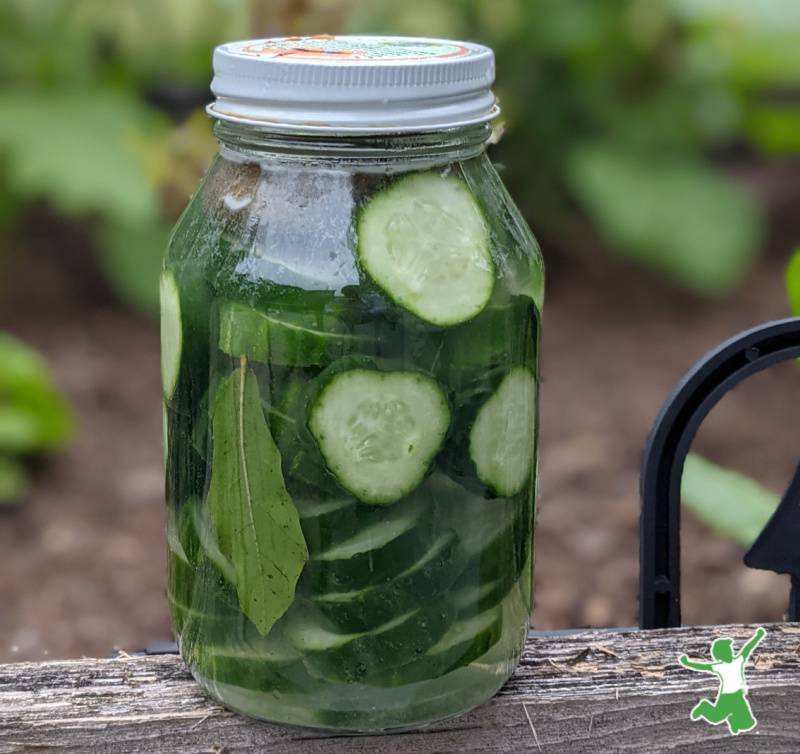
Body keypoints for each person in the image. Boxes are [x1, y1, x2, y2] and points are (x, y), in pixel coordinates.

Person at [679, 626, 766, 735]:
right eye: (727, 649)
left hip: (738, 695)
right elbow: (703, 667)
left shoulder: (738, 660)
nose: (731, 651)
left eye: (730, 649)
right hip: (727, 697)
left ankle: (734, 721)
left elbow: (748, 648)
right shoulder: (719, 666)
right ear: (721, 654)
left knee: (747, 722)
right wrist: (687, 663)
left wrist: (758, 636)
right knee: (716, 718)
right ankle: (704, 708)